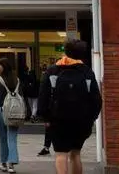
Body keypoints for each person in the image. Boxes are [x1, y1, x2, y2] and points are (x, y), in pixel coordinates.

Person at [37, 40, 102, 174]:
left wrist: (45, 117)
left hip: (57, 120)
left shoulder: (53, 70)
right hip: (81, 120)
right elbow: (96, 99)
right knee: (76, 154)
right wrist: (91, 118)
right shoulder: (87, 72)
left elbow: (43, 96)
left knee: (61, 154)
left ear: (66, 52)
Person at [0, 58, 20, 173]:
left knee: (3, 137)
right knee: (12, 137)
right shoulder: (16, 79)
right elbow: (21, 95)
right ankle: (11, 164)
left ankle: (3, 162)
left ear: (4, 67)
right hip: (15, 111)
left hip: (1, 109)